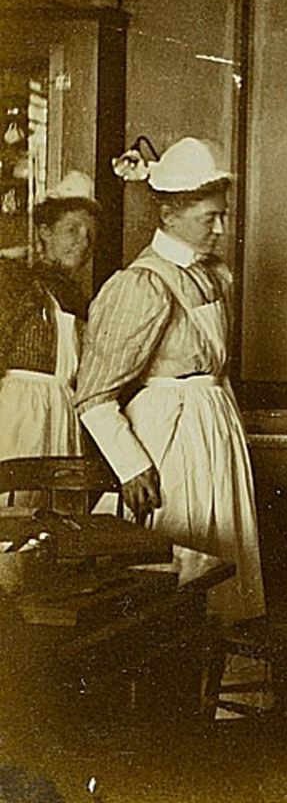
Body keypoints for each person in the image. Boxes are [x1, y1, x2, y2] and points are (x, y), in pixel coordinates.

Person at [74, 137, 264, 621]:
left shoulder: (213, 275)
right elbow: (93, 394)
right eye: (209, 218)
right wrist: (131, 464)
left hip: (215, 429)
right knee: (185, 567)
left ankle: (215, 686)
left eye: (223, 215)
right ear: (168, 216)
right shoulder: (142, 284)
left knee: (224, 563)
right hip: (171, 443)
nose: (221, 228)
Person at [0, 171, 97, 463]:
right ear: (45, 231)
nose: (83, 243)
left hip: (63, 416)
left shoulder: (80, 301)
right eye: (72, 230)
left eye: (90, 234)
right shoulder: (16, 284)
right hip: (18, 416)